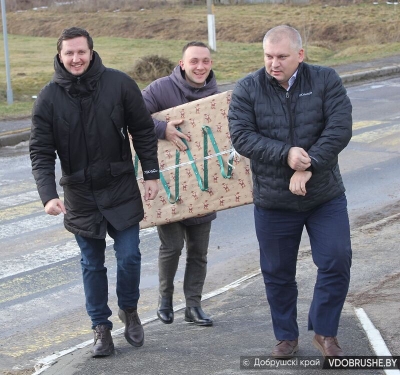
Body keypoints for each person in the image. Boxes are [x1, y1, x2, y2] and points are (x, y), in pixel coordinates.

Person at [29, 27, 160, 357]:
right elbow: (41, 151)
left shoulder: (119, 84)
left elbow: (143, 129)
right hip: (80, 194)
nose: (76, 58)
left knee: (130, 256)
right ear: (59, 55)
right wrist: (48, 195)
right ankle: (100, 328)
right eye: (69, 53)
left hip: (120, 187)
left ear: (91, 52)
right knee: (92, 263)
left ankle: (129, 310)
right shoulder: (48, 98)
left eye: (81, 52)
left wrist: (152, 173)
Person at [228, 25, 352, 358]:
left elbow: (339, 129)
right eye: (268, 56)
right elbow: (241, 137)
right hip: (273, 201)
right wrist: (287, 154)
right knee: (278, 273)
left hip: (324, 196)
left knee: (336, 260)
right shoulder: (247, 89)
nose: (274, 63)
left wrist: (309, 165)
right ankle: (286, 336)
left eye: (281, 56)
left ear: (300, 54)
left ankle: (325, 332)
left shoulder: (326, 80)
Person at [141, 41, 218, 326]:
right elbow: (133, 117)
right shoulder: (160, 89)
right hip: (168, 184)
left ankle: (193, 306)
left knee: (199, 251)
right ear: (182, 63)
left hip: (202, 184)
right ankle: (165, 300)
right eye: (194, 61)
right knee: (172, 247)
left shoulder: (216, 95)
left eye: (206, 61)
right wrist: (162, 129)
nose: (200, 67)